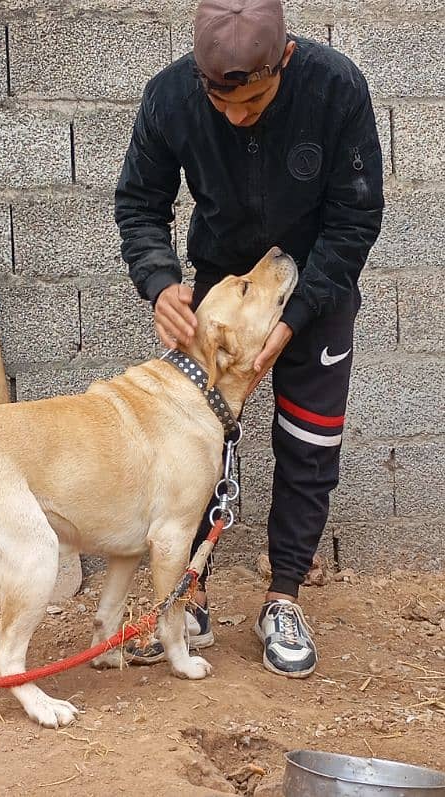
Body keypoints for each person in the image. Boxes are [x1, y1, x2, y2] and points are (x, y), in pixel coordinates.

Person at [114, 0, 383, 677]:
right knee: (195, 442)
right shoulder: (170, 96)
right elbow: (140, 201)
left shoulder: (337, 87)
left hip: (315, 287)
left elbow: (356, 216)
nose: (236, 116)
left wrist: (297, 313)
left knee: (310, 441)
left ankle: (284, 595)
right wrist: (160, 283)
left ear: (283, 62)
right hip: (224, 291)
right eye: (222, 104)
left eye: (254, 102)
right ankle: (190, 592)